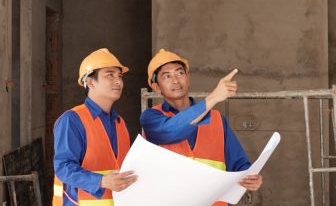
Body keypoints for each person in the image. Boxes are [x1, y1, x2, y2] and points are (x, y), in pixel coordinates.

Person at [140, 49, 263, 206]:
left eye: (179, 73)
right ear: (156, 87)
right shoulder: (151, 118)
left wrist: (251, 178)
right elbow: (172, 131)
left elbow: (239, 165)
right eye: (167, 76)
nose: (176, 80)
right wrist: (213, 97)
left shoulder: (217, 120)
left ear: (188, 78)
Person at [53, 48, 137, 206]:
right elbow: (63, 168)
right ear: (90, 82)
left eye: (119, 76)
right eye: (110, 75)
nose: (118, 81)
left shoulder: (120, 123)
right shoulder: (72, 120)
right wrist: (103, 181)